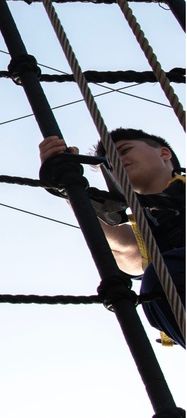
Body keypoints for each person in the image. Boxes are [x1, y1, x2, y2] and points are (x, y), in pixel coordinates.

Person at [39, 129, 185, 348]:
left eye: (125, 151)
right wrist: (68, 187)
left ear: (164, 153)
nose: (117, 162)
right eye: (109, 163)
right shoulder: (143, 223)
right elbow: (127, 252)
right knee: (158, 283)